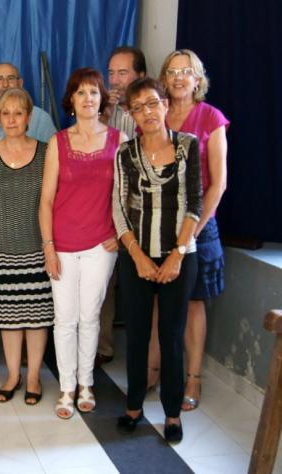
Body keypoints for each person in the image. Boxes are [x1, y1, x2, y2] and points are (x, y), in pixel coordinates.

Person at [113, 77, 202, 443]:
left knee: (171, 335)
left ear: (165, 105)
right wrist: (137, 256)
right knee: (136, 334)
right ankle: (133, 406)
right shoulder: (125, 152)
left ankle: (171, 413)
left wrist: (177, 255)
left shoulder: (188, 145)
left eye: (152, 103)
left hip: (179, 257)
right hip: (136, 258)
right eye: (138, 108)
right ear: (131, 115)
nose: (147, 112)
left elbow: (194, 204)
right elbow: (119, 208)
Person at [39, 68, 124, 419]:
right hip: (61, 243)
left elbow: (126, 195)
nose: (88, 98)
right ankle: (66, 387)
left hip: (100, 244)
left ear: (102, 99)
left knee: (90, 317)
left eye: (94, 92)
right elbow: (45, 200)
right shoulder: (58, 142)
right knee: (64, 319)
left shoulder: (119, 140)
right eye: (81, 92)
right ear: (71, 101)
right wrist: (48, 246)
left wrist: (119, 233)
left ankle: (86, 383)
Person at [0, 88, 54, 404]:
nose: (12, 119)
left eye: (18, 113)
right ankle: (12, 375)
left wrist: (50, 247)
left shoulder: (47, 153)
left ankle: (33, 376)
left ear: (29, 117)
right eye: (5, 113)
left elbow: (53, 201)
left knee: (36, 318)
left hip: (37, 250)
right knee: (7, 319)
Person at [160, 49, 229, 411]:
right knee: (158, 298)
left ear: (198, 79)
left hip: (199, 224)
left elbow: (218, 184)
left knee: (193, 302)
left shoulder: (210, 117)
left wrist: (194, 230)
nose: (179, 77)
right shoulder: (157, 114)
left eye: (186, 71)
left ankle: (193, 377)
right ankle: (154, 369)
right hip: (159, 222)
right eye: (172, 72)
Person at [95, 47, 148, 369]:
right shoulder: (104, 109)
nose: (115, 80)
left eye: (123, 73)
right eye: (111, 73)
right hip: (108, 211)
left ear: (140, 75)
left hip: (142, 210)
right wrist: (105, 111)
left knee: (140, 287)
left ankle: (145, 360)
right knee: (105, 284)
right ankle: (102, 345)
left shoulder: (150, 111)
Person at [0, 62, 57, 142]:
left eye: (11, 78)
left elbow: (55, 149)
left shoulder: (41, 117)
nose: (5, 84)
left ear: (20, 83)